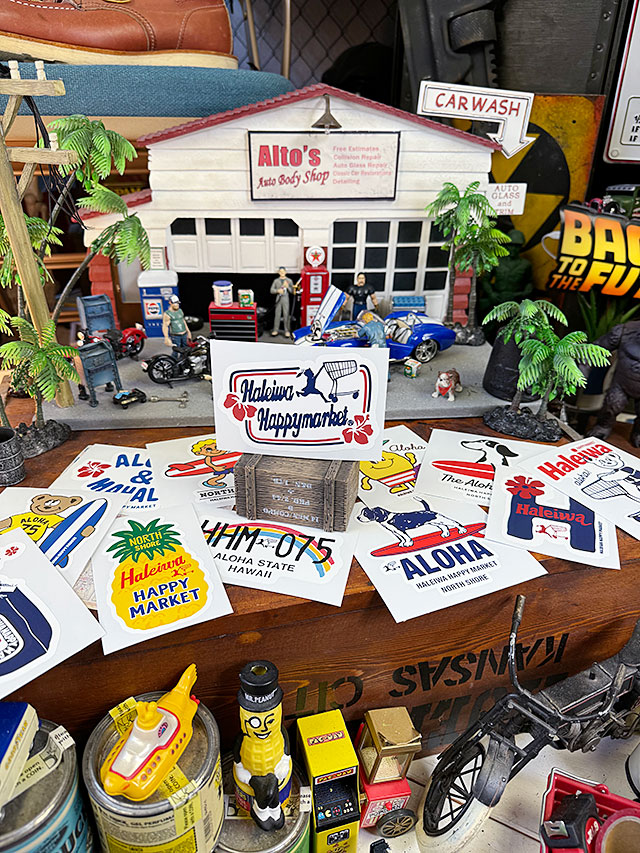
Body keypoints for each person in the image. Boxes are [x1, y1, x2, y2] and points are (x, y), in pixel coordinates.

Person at [270, 267, 294, 338]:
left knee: (286, 314)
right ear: (278, 272)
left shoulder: (289, 280)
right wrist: (277, 291)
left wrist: (288, 287)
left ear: (286, 272)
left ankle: (287, 330)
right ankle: (275, 330)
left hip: (285, 298)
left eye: (283, 271)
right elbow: (271, 290)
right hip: (278, 298)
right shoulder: (276, 281)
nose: (282, 273)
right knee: (277, 314)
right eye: (280, 272)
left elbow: (292, 291)